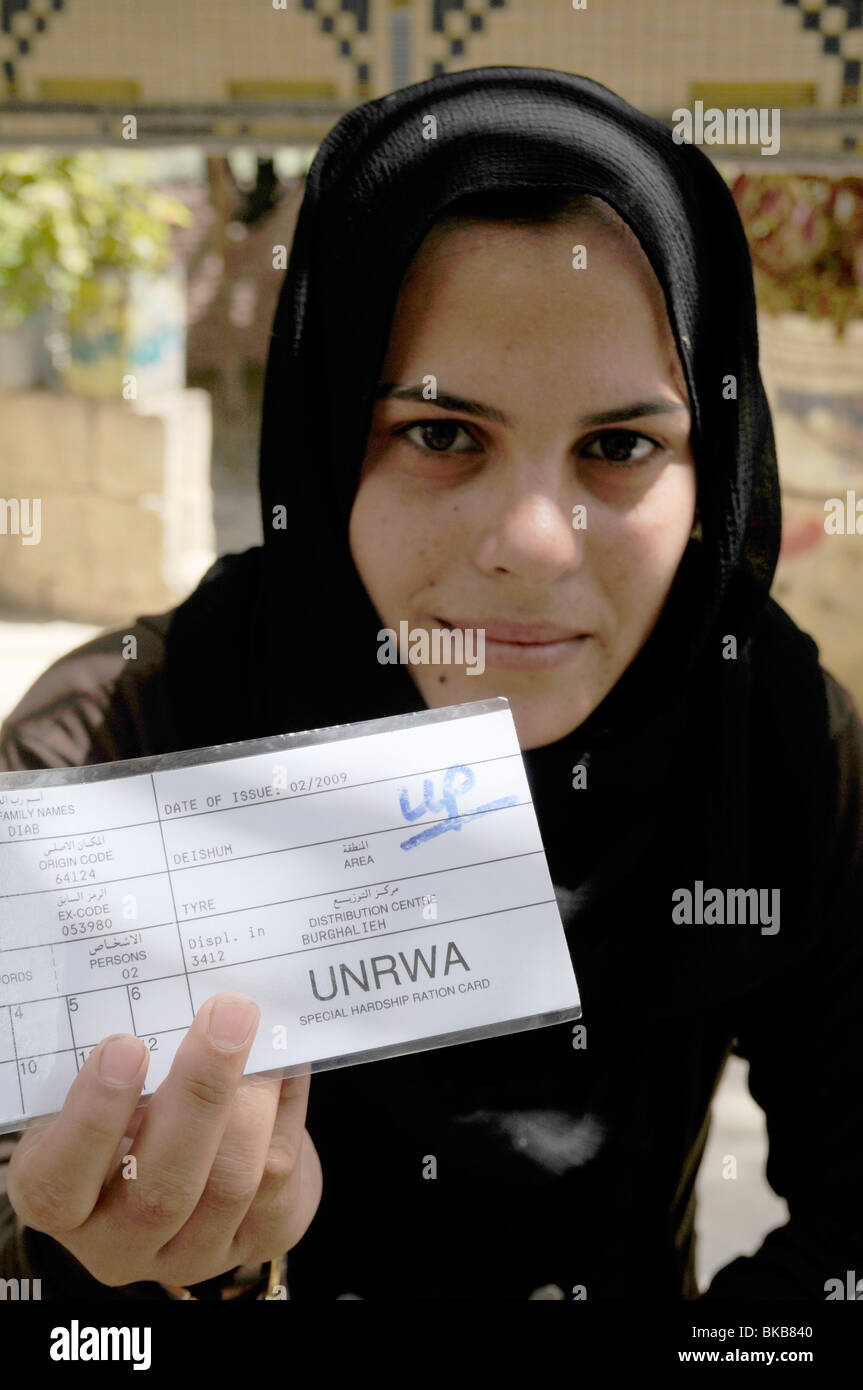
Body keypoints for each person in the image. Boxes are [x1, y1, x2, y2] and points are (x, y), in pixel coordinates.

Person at [1, 65, 862, 1302]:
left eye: (618, 447)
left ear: (711, 472)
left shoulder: (760, 730)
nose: (533, 543)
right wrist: (142, 1274)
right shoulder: (117, 745)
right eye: (439, 433)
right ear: (322, 440)